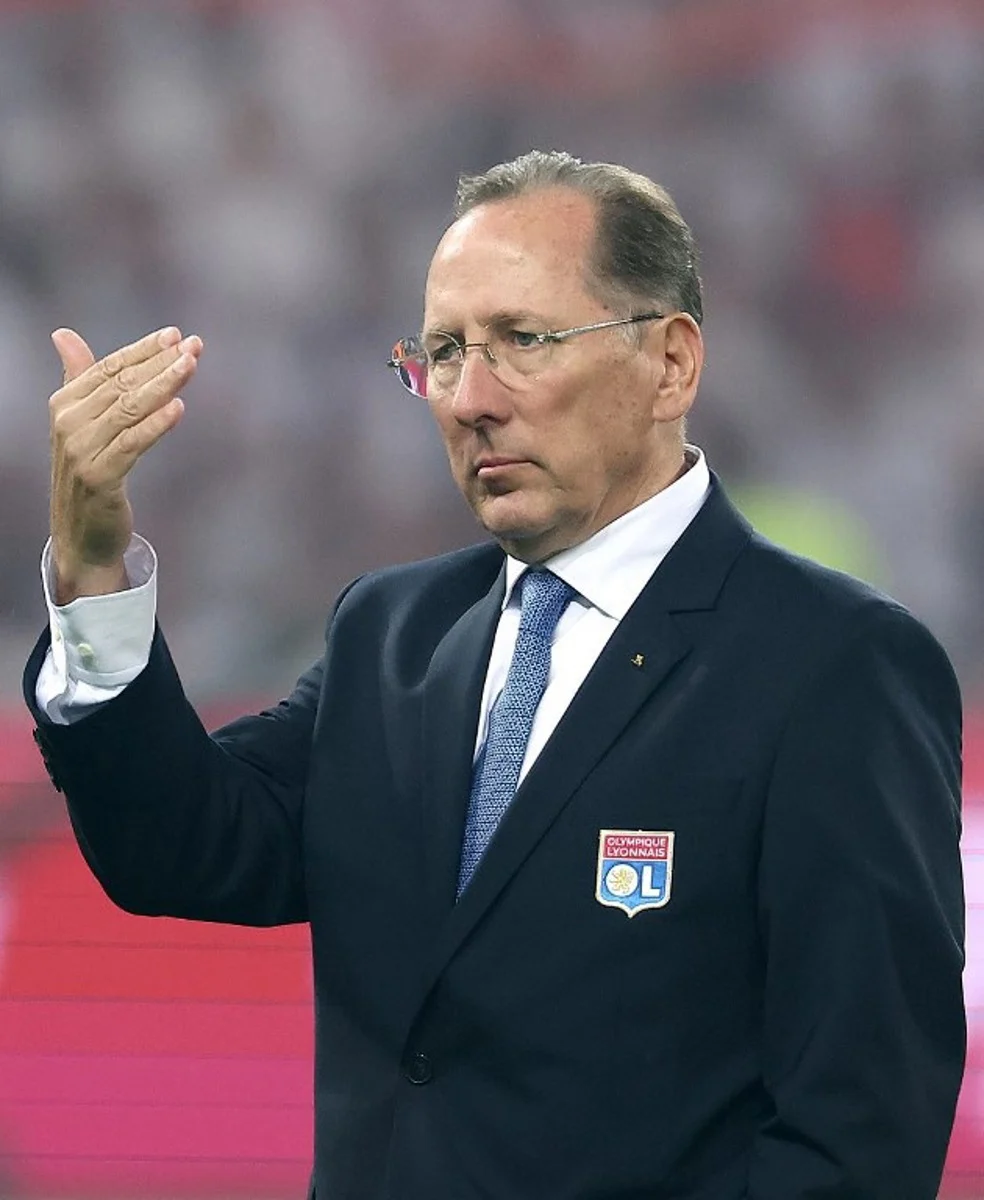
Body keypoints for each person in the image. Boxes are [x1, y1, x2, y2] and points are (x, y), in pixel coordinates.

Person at [25, 150, 964, 1200]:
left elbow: (861, 1132)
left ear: (671, 365)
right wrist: (93, 565)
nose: (472, 398)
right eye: (442, 352)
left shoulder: (833, 668)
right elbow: (184, 847)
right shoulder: (394, 632)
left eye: (524, 341)